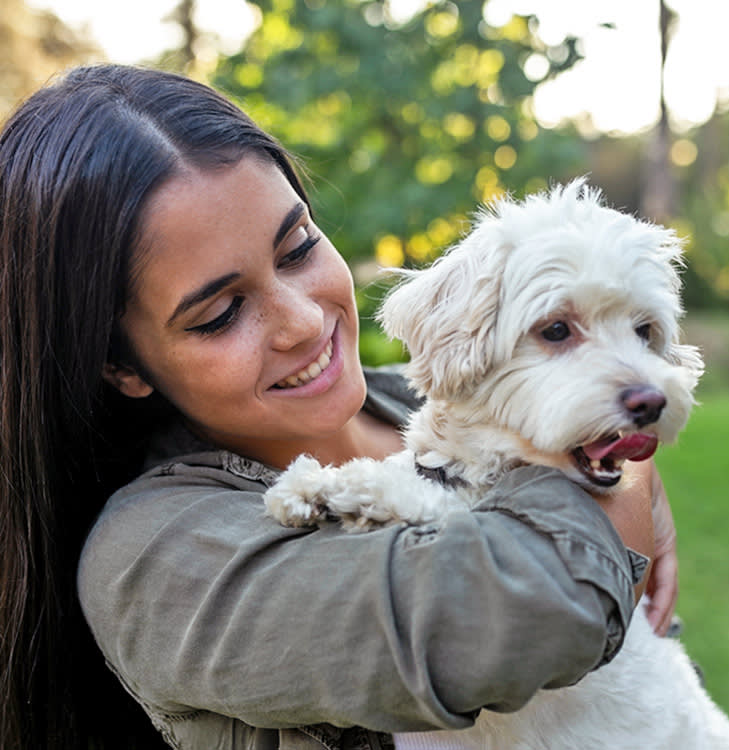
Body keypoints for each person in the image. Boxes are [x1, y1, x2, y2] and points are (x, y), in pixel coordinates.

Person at [0, 64, 678, 750]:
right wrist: (628, 475)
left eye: (297, 249)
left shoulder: (427, 398)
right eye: (222, 313)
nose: (300, 321)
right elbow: (525, 617)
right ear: (119, 366)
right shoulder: (151, 557)